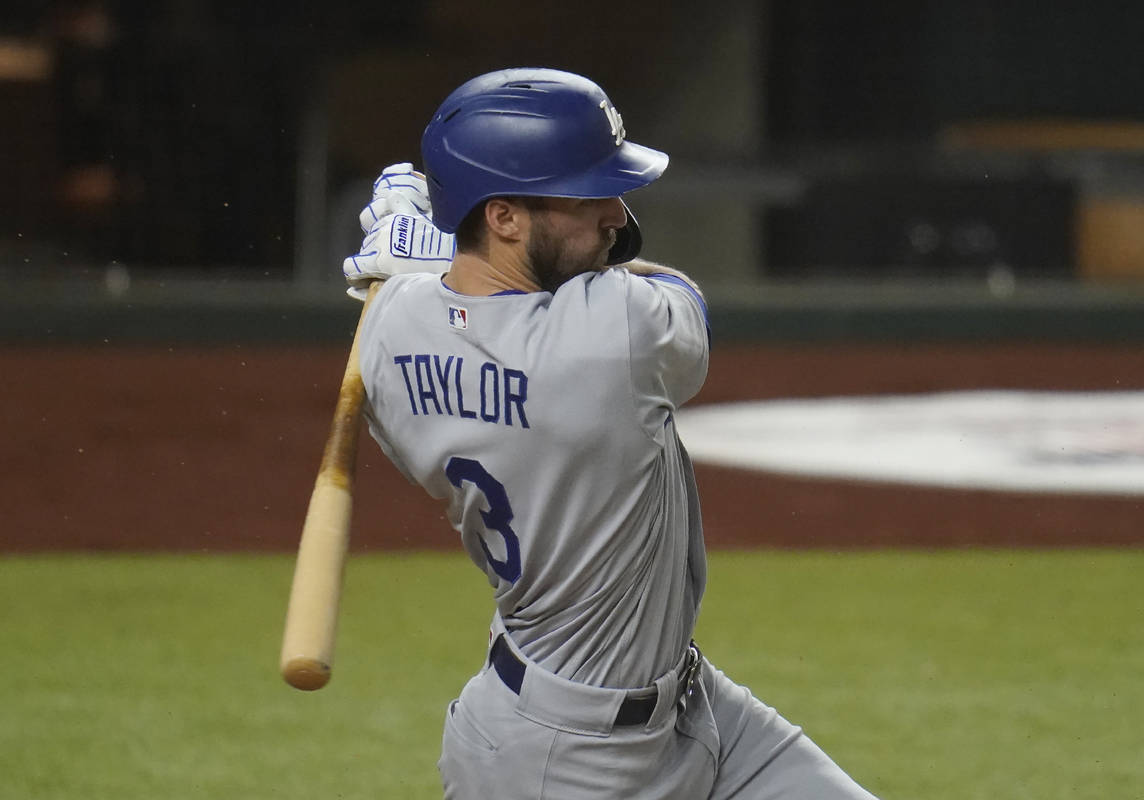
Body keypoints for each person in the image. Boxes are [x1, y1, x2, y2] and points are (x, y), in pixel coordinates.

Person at [342, 68, 879, 800]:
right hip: (566, 768)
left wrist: (427, 261)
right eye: (586, 195)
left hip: (683, 708)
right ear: (502, 216)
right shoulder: (614, 334)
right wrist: (432, 248)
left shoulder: (387, 341)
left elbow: (448, 302)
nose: (617, 216)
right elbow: (677, 293)